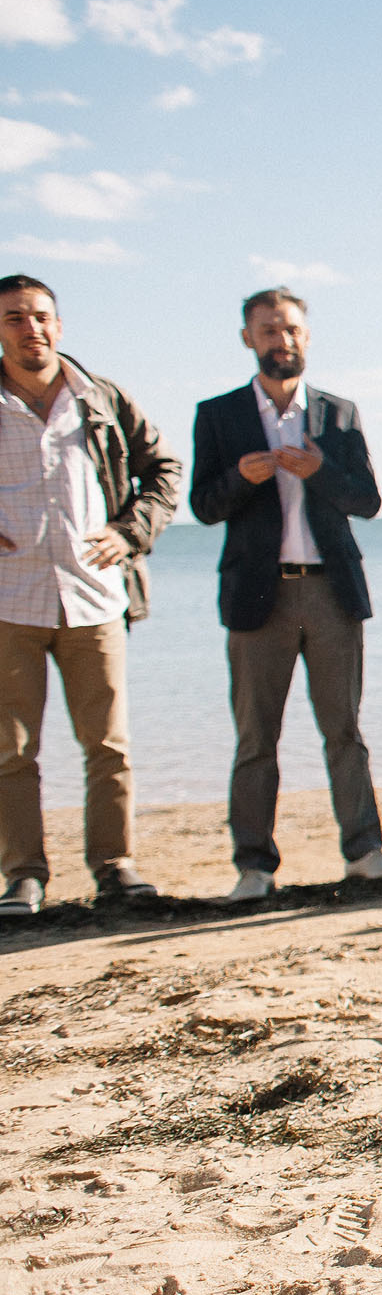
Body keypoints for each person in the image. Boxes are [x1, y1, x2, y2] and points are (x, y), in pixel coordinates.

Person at [189, 288, 382, 900]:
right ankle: (254, 867)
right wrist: (241, 478)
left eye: (294, 330)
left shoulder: (339, 413)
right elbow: (202, 506)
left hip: (332, 591)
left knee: (345, 732)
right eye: (270, 331)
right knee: (256, 738)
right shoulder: (219, 414)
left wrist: (319, 472)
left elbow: (368, 500)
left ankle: (364, 852)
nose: (284, 341)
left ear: (308, 336)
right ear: (249, 338)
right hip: (258, 596)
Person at [0, 273, 179, 915]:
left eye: (41, 316)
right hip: (8, 605)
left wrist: (129, 533)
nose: (32, 329)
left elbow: (164, 471)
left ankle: (114, 866)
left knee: (108, 745)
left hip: (94, 599)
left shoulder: (99, 398)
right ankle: (22, 875)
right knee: (12, 750)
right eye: (16, 318)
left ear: (60, 323)